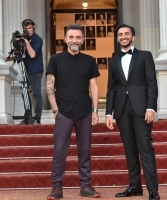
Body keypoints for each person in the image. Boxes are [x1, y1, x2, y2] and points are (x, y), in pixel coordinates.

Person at [46, 23, 101, 199]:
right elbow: (49, 86)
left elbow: (94, 87)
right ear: (66, 39)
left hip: (85, 112)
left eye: (78, 37)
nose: (74, 40)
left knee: (85, 151)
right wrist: (55, 110)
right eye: (71, 37)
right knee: (60, 150)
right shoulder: (55, 59)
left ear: (83, 39)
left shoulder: (89, 61)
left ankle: (86, 186)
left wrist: (95, 110)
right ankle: (56, 187)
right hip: (64, 112)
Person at [105, 24, 160, 200]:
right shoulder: (113, 60)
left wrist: (151, 107)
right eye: (120, 34)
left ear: (133, 37)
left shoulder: (145, 56)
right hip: (122, 110)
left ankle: (153, 190)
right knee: (129, 150)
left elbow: (152, 83)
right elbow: (111, 88)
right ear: (117, 37)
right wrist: (108, 113)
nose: (123, 36)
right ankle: (135, 187)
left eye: (127, 34)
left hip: (142, 109)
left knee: (145, 148)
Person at [20, 19, 43, 125]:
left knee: (37, 95)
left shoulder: (37, 39)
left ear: (33, 27)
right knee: (25, 94)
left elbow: (32, 54)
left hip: (36, 70)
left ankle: (37, 118)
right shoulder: (25, 39)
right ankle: (28, 117)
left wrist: (25, 41)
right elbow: (22, 55)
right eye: (26, 29)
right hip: (27, 71)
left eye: (30, 28)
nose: (28, 30)